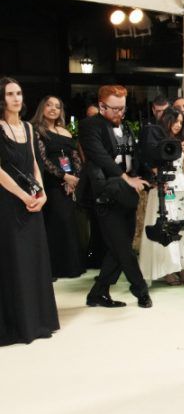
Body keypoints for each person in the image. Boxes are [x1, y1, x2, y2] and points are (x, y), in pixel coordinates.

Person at [79, 85, 152, 309]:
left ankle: (97, 293)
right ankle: (140, 290)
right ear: (101, 106)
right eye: (115, 108)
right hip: (105, 196)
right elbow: (100, 157)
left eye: (123, 108)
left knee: (117, 248)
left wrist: (146, 175)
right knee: (122, 248)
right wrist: (125, 178)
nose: (120, 113)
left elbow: (133, 156)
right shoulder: (90, 125)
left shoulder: (126, 127)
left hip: (126, 196)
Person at [0, 77, 59, 346]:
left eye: (19, 93)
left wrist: (42, 193)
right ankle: (18, 323)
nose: (16, 98)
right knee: (14, 260)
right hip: (8, 202)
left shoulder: (27, 127)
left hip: (33, 201)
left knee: (34, 259)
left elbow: (35, 163)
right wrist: (24, 195)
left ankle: (38, 320)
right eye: (10, 94)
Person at [137, 107, 184, 286]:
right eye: (175, 121)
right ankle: (166, 269)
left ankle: (182, 265)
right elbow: (152, 165)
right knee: (166, 226)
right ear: (166, 120)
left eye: (181, 122)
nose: (178, 125)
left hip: (183, 188)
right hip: (165, 187)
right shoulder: (157, 141)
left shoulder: (183, 141)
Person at [31, 95, 86, 278]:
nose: (53, 109)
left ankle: (71, 266)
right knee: (56, 221)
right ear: (42, 108)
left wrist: (75, 178)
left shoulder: (65, 131)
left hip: (70, 183)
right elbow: (42, 159)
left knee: (70, 222)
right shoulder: (36, 130)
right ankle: (53, 268)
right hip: (51, 182)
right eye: (49, 105)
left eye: (57, 106)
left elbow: (75, 156)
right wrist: (64, 176)